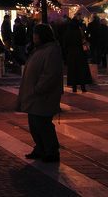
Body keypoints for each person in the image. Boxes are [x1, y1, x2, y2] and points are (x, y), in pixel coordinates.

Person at [16, 23, 64, 163]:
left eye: (35, 34)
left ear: (41, 36)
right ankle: (41, 148)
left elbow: (50, 74)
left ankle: (51, 150)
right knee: (35, 123)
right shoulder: (40, 50)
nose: (33, 37)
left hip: (42, 96)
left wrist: (38, 88)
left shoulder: (51, 51)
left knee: (43, 123)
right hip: (35, 95)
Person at [63, 18, 92, 93]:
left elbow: (65, 44)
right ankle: (83, 86)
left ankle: (74, 86)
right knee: (82, 69)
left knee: (73, 70)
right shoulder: (80, 32)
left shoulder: (67, 32)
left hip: (71, 53)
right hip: (80, 52)